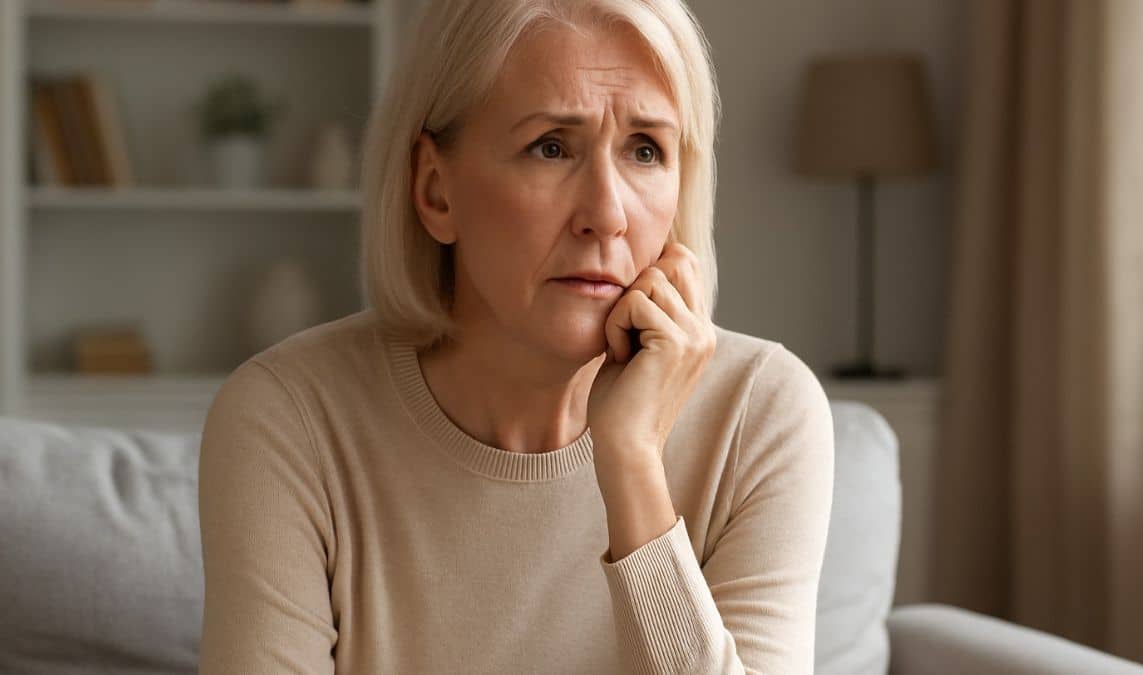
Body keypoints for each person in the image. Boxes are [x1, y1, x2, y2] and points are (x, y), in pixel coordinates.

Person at [197, 0, 835, 673]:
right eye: (552, 146)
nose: (607, 214)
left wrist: (631, 463)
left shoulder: (762, 412)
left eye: (645, 149)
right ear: (435, 190)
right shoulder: (288, 419)